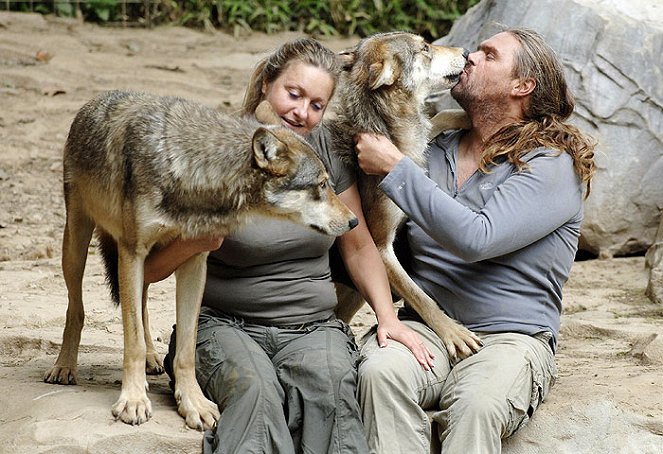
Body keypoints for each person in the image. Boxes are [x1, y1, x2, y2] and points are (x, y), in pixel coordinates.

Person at [144, 37, 433, 454]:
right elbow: (147, 271)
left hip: (313, 327)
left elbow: (358, 247)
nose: (301, 112)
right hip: (225, 326)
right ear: (266, 84)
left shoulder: (326, 154)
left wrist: (387, 317)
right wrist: (194, 241)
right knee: (256, 397)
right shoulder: (217, 153)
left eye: (316, 104)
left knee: (332, 398)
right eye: (293, 94)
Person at [353, 27, 596, 453]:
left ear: (522, 86)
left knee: (477, 405)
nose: (470, 56)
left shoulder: (552, 164)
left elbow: (477, 238)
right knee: (377, 373)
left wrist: (396, 169)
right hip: (426, 327)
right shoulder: (434, 146)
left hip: (509, 338)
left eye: (488, 55)